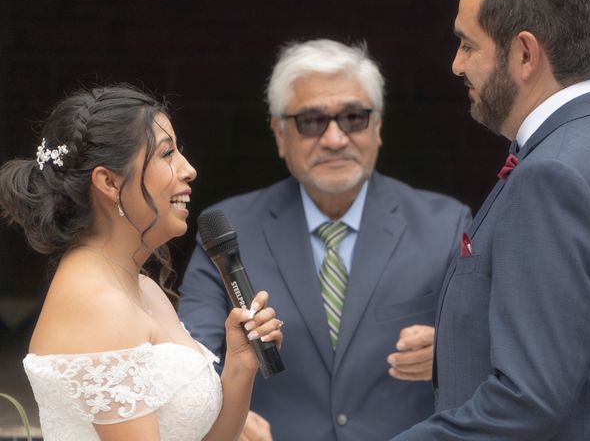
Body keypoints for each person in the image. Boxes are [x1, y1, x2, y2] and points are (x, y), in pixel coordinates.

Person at [393, 0, 590, 439]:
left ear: (525, 54)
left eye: (468, 44)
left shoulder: (552, 174)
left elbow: (528, 401)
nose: (456, 64)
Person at [178, 39, 471, 441]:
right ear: (280, 134)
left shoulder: (446, 225)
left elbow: (499, 351)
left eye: (354, 117)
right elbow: (191, 356)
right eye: (312, 121)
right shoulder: (232, 232)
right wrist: (220, 409)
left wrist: (451, 351)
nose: (335, 139)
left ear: (378, 126)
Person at [0, 84, 284, 441]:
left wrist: (241, 365)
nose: (189, 169)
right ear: (108, 182)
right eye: (167, 154)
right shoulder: (95, 305)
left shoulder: (142, 287)